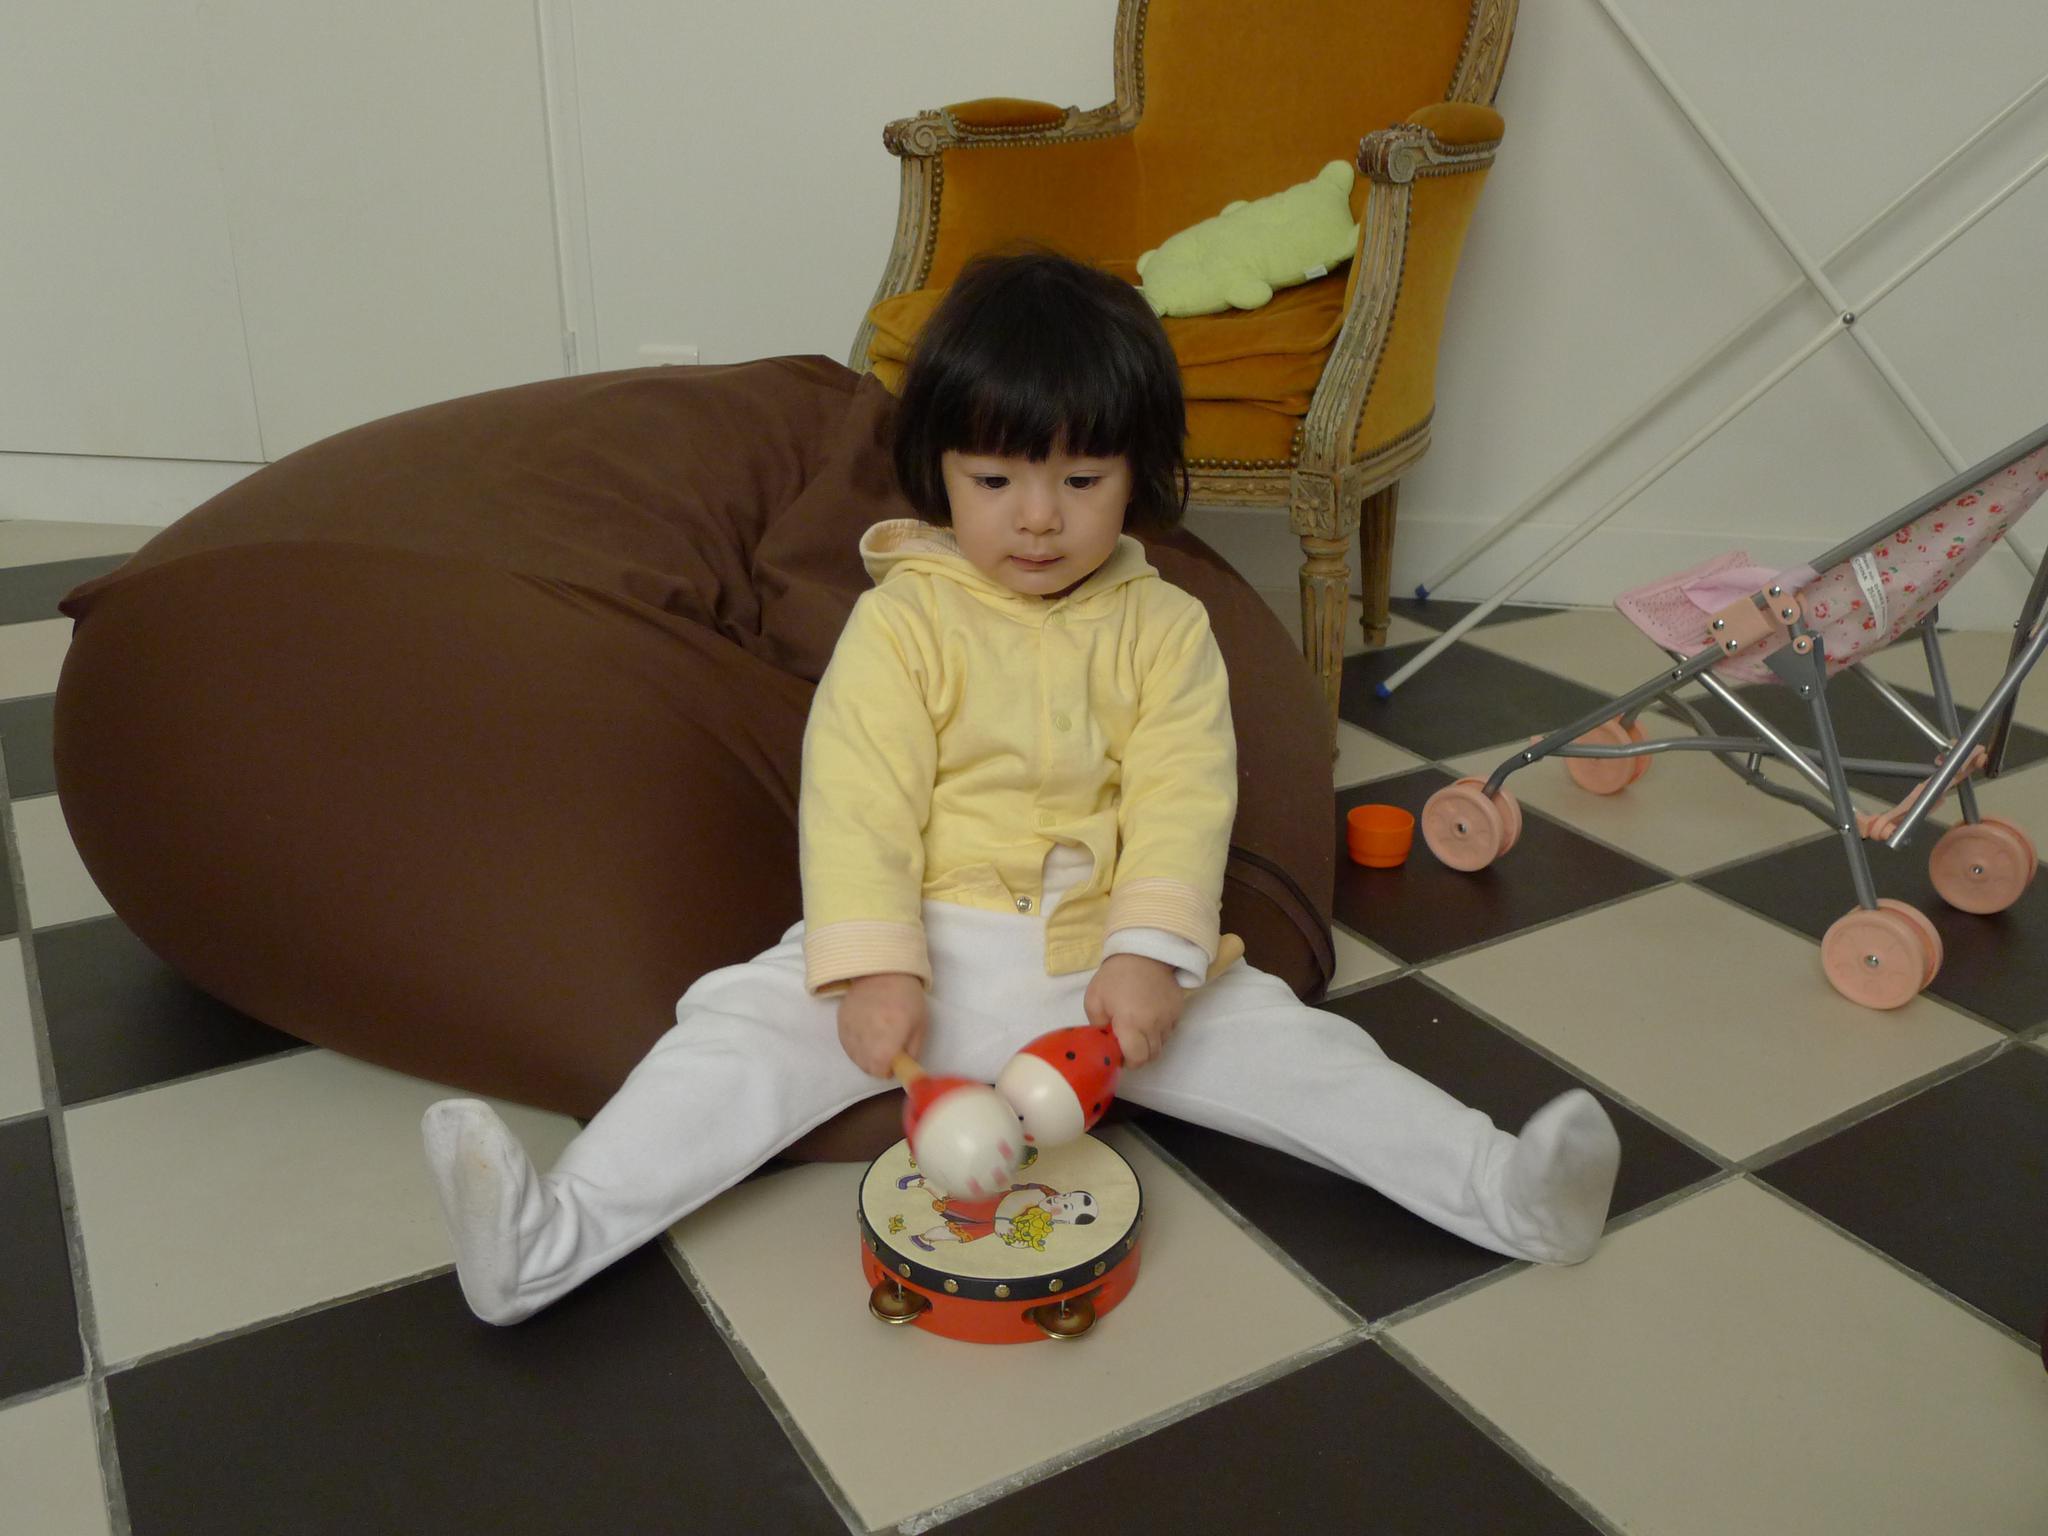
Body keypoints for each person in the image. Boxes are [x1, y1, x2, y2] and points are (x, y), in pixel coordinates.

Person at [420, 250, 1621, 1324]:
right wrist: (874, 964)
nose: (1037, 520)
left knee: (1301, 1056)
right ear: (936, 474)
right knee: (729, 1040)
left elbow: (1183, 797)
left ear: (1137, 474)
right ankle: (548, 1239)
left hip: (1099, 962)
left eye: (1081, 479)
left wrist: (1149, 954)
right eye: (994, 481)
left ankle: (1506, 1190)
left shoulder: (1166, 629)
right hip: (922, 944)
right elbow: (856, 800)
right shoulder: (901, 623)